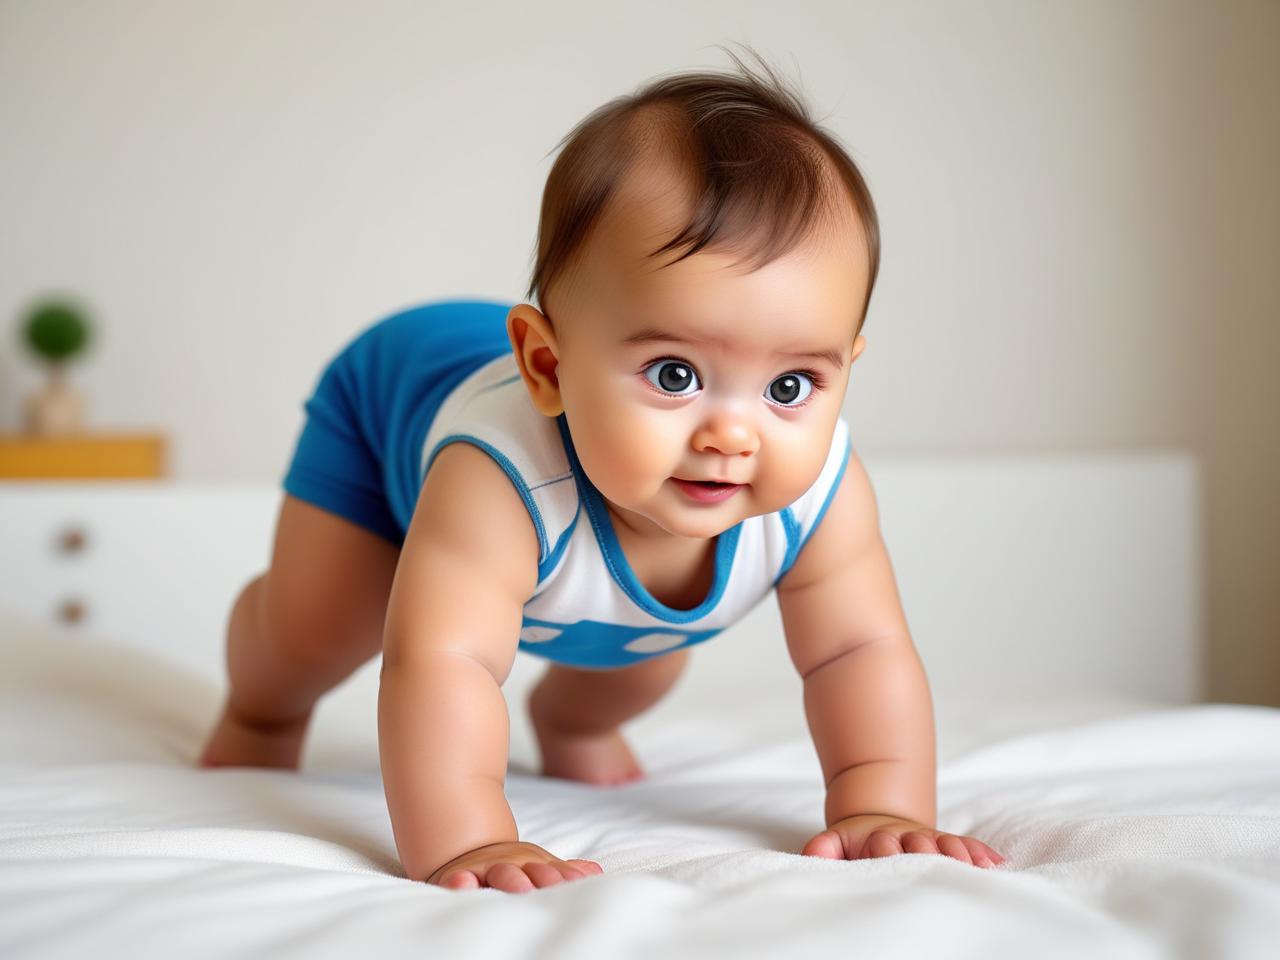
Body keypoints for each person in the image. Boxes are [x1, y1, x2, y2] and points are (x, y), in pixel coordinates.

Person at [197, 46, 1006, 893]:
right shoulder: (500, 482)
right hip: (385, 410)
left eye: (791, 385)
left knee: (643, 656)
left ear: (847, 366)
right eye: (675, 375)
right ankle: (259, 707)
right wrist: (468, 838)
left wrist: (883, 805)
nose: (733, 434)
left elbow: (858, 650)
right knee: (324, 622)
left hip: (614, 596)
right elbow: (446, 664)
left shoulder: (824, 495)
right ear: (547, 368)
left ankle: (570, 725)